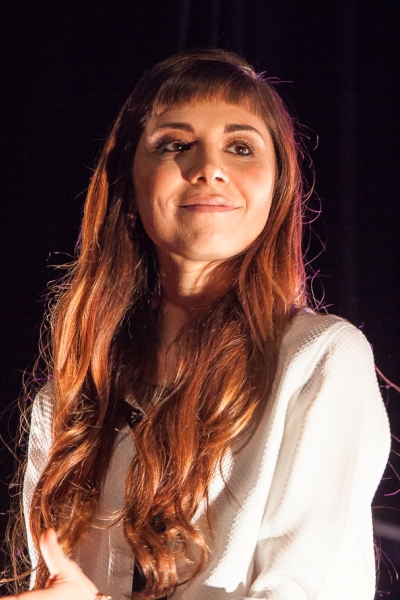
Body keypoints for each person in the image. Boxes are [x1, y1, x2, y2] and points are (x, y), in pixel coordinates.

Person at [6, 48, 390, 600]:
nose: (209, 167)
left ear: (277, 187)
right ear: (130, 183)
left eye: (240, 147)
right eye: (175, 145)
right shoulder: (71, 394)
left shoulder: (320, 359)